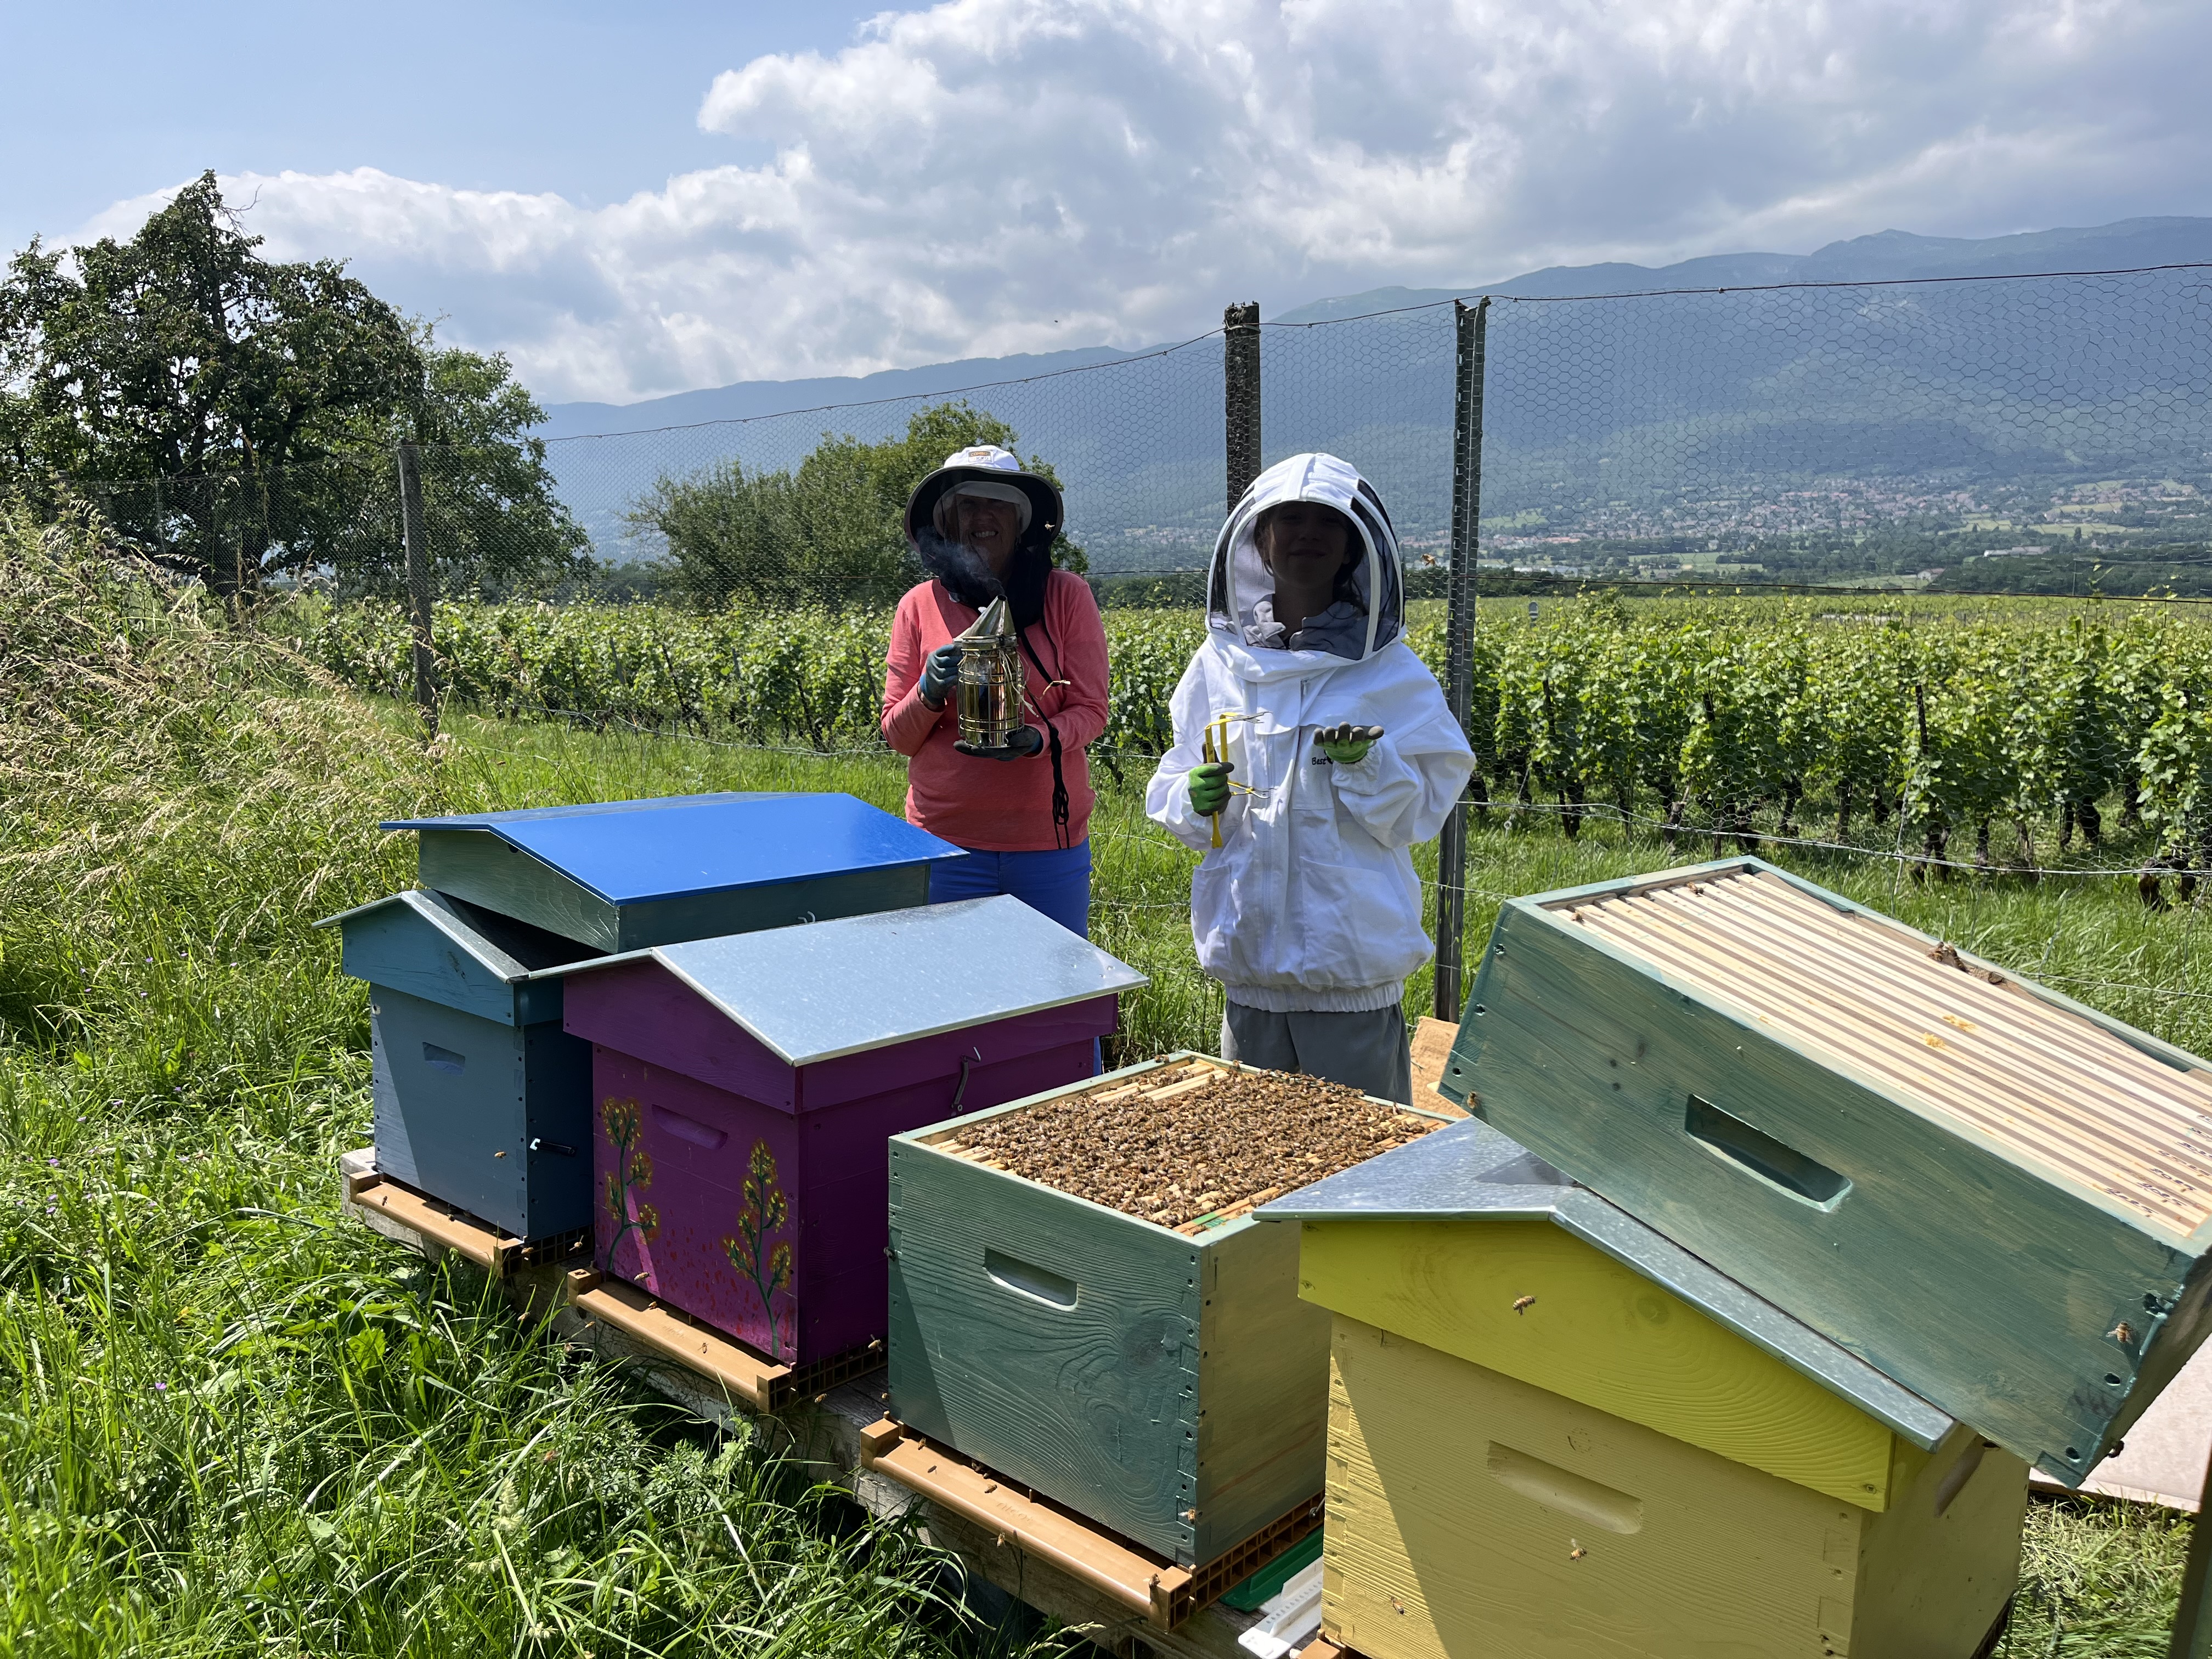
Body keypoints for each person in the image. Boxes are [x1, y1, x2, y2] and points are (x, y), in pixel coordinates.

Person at [1144, 452, 1474, 1103]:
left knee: (1363, 1173)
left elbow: (1422, 813)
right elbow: (1176, 779)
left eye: (1325, 521)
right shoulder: (1219, 665)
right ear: (1259, 541)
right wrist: (1191, 798)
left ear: (1353, 544)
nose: (1307, 535)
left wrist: (1371, 766)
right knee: (1259, 1161)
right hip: (1250, 969)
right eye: (1288, 519)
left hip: (1348, 974)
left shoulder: (1389, 673)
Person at [882, 445, 1111, 940]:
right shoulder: (918, 605)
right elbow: (897, 736)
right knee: (954, 997)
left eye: (997, 504)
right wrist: (926, 692)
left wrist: (1038, 739)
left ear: (1020, 519)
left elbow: (1091, 710)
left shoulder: (1066, 596)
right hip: (942, 843)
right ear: (947, 521)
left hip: (1048, 842)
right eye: (968, 505)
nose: (982, 517)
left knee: (1052, 990)